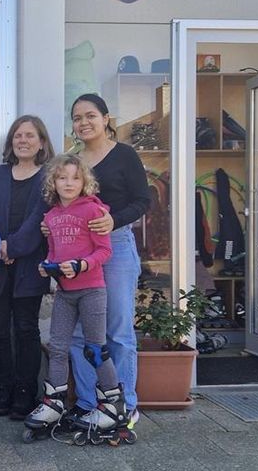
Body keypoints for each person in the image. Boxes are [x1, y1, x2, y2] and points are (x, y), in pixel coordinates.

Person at [25, 154, 126, 434]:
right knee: (57, 348)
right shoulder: (52, 216)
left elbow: (104, 251)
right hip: (65, 293)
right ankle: (54, 403)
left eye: (75, 178)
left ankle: (112, 405)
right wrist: (49, 267)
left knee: (95, 349)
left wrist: (82, 265)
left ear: (85, 182)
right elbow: (55, 253)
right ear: (53, 182)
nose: (68, 183)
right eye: (62, 177)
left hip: (92, 290)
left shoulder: (93, 212)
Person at [67, 93, 150, 423]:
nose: (84, 122)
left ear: (105, 118)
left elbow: (144, 201)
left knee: (117, 331)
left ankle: (125, 404)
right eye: (77, 118)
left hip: (115, 248)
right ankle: (89, 403)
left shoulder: (125, 156)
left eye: (90, 116)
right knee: (77, 334)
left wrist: (115, 219)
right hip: (77, 250)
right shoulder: (72, 161)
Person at [0, 116, 54, 419]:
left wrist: (13, 247)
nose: (23, 140)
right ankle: (3, 390)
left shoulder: (48, 177)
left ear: (41, 142)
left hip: (29, 266)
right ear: (11, 142)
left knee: (25, 329)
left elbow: (41, 217)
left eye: (29, 135)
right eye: (17, 136)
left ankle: (25, 392)